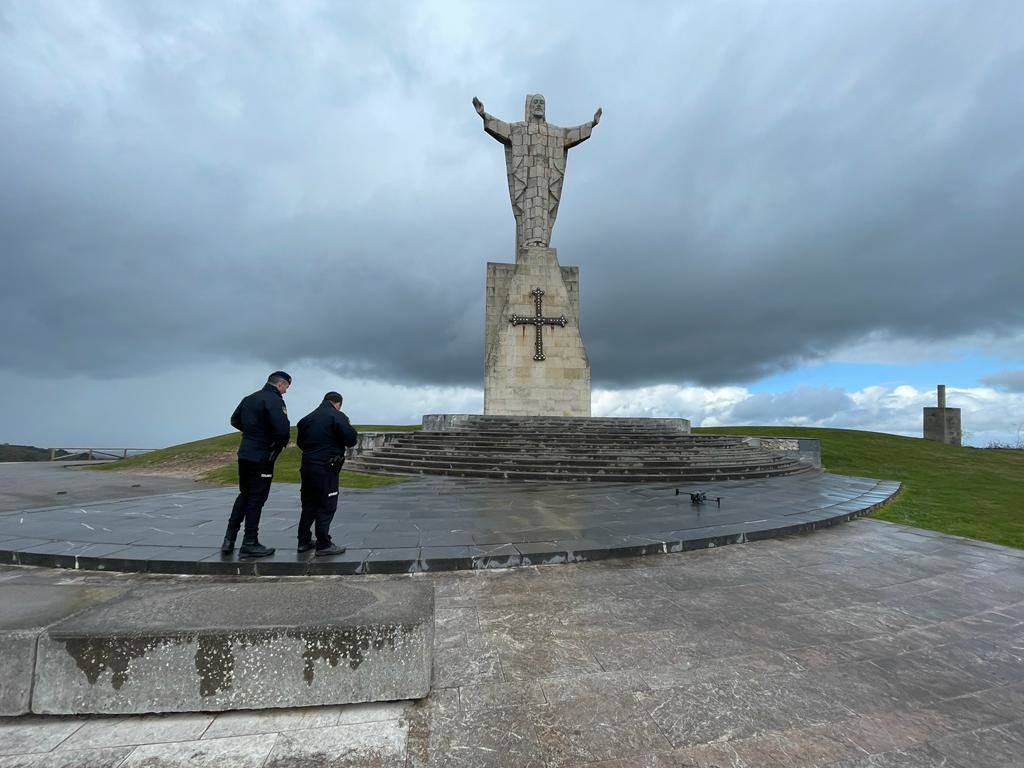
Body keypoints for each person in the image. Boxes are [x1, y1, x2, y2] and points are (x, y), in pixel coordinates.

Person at [221, 371, 292, 558]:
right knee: (257, 498)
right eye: (286, 387)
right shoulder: (274, 400)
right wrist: (273, 443)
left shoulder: (249, 398)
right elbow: (283, 431)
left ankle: (229, 539)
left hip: (245, 453)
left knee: (244, 494)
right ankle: (250, 541)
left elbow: (234, 420)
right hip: (262, 456)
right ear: (281, 384)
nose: (286, 392)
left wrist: (253, 431)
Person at [296, 391, 358, 556]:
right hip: (326, 467)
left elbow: (301, 443)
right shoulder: (337, 416)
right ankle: (323, 544)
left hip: (308, 465)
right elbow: (351, 439)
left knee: (309, 503)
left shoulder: (306, 419)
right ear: (338, 404)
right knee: (327, 504)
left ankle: (303, 541)